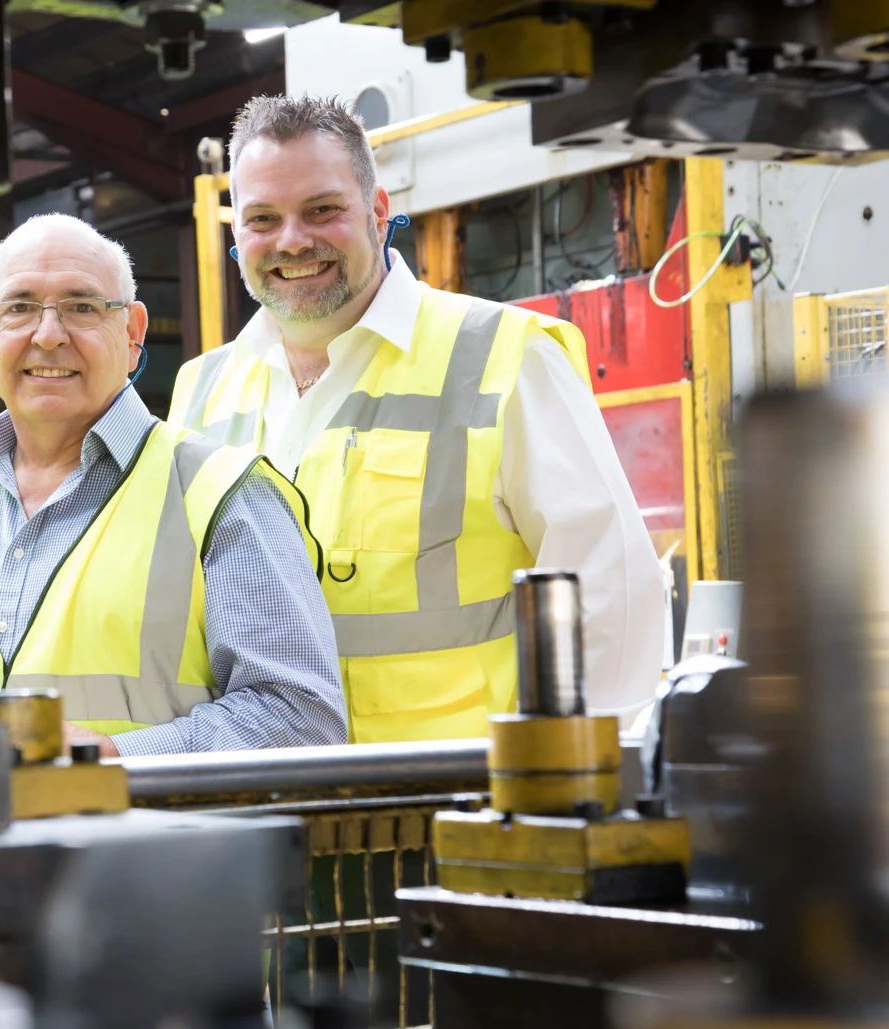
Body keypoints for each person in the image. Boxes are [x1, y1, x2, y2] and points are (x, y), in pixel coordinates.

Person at [169, 95, 664, 743]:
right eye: (262, 218)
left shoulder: (505, 357)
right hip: (270, 809)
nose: (292, 240)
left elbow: (611, 588)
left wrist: (578, 782)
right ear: (236, 234)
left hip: (457, 805)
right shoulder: (199, 392)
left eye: (322, 209)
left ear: (377, 214)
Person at [0, 214, 347, 755]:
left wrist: (113, 758)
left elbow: (303, 720)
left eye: (82, 307)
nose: (48, 334)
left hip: (146, 839)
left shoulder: (221, 496)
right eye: (18, 308)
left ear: (133, 334)